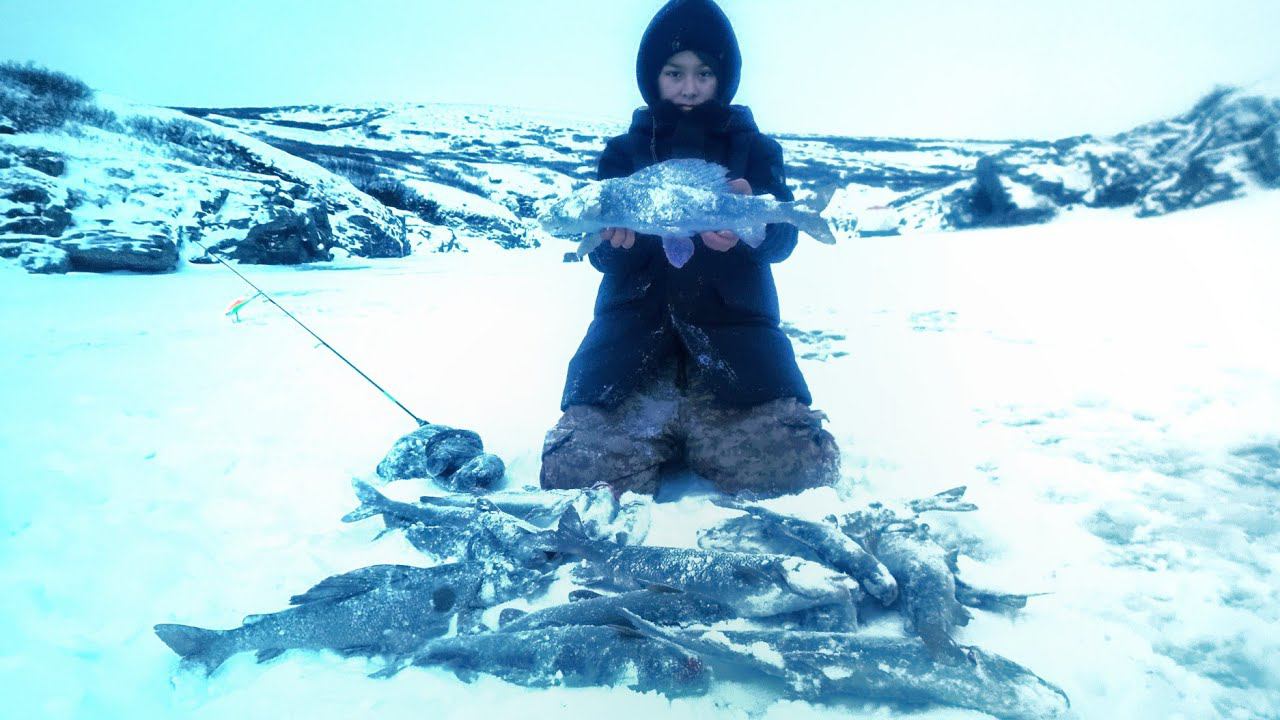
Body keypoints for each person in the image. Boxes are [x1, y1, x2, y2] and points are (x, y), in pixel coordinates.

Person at [539, 0, 840, 497]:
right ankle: (674, 436)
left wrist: (757, 231)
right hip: (630, 352)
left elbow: (779, 244)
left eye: (704, 73)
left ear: (724, 77)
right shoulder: (621, 153)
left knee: (803, 468)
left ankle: (691, 436)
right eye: (674, 72)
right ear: (651, 76)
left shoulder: (756, 150)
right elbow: (603, 258)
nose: (690, 86)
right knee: (570, 474)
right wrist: (616, 246)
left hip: (735, 353)